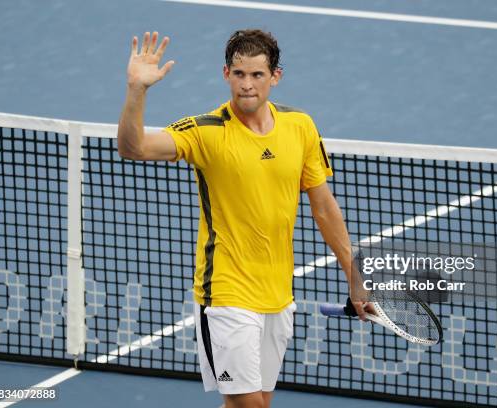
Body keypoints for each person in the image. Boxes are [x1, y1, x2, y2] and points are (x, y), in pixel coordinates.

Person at [117, 29, 366, 408]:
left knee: (251, 403)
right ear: (225, 74)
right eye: (239, 74)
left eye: (257, 75)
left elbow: (324, 207)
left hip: (278, 294)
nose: (247, 85)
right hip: (226, 292)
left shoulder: (300, 126)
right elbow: (133, 147)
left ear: (275, 76)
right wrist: (137, 90)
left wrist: (354, 276)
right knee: (252, 405)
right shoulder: (205, 132)